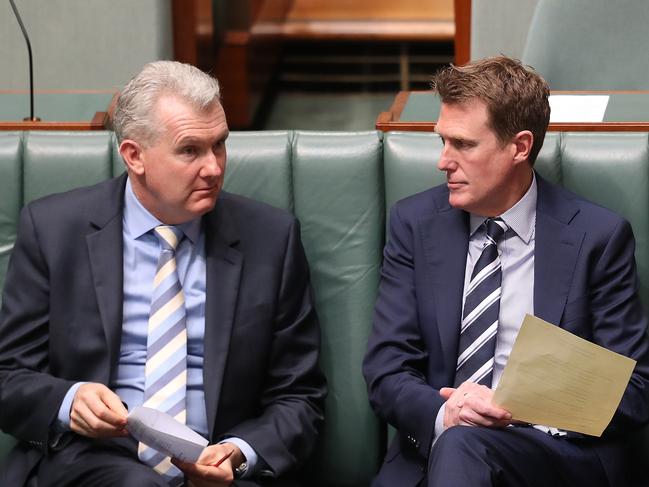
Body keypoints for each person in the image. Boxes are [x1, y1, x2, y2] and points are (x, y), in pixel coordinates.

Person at [0, 61, 326, 487]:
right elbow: (8, 376)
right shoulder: (54, 231)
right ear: (134, 156)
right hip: (92, 461)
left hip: (219, 467)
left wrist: (239, 454)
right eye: (190, 150)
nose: (213, 168)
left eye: (220, 145)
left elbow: (300, 395)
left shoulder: (271, 239)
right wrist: (68, 400)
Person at [362, 56, 649, 487]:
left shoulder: (597, 238)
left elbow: (634, 389)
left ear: (520, 146)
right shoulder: (414, 225)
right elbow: (386, 367)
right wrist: (447, 413)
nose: (443, 161)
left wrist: (517, 406)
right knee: (459, 443)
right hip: (435, 458)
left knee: (464, 445)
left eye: (463, 144)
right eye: (442, 141)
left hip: (555, 459)